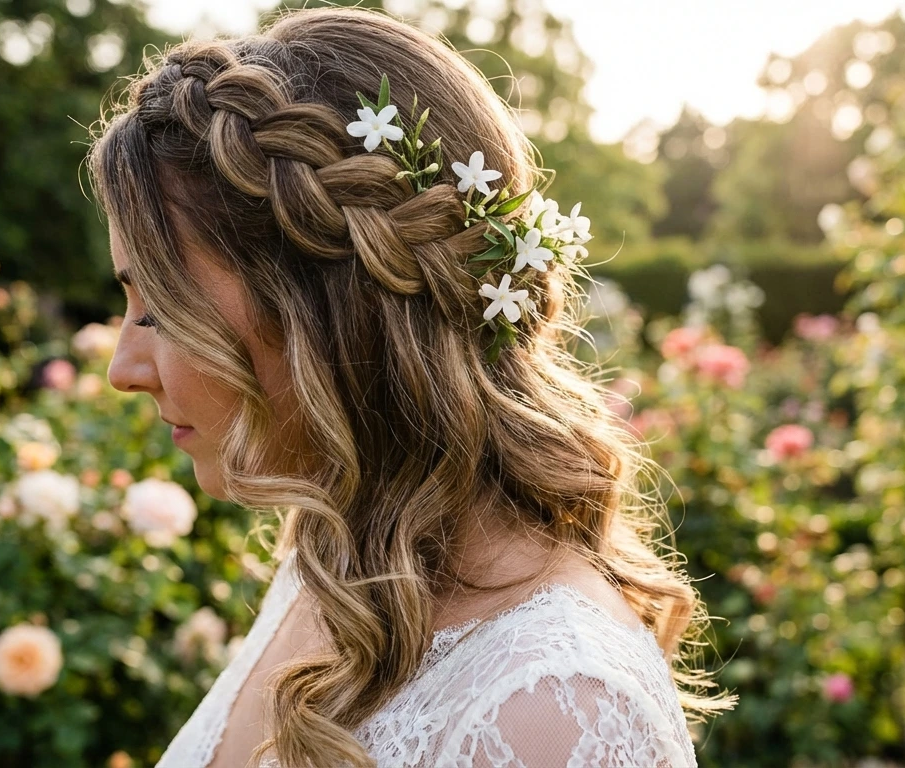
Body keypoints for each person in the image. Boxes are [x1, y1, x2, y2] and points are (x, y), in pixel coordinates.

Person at [88, 6, 734, 767]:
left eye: (161, 308)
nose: (121, 370)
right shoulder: (338, 565)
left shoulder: (554, 716)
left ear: (330, 311)